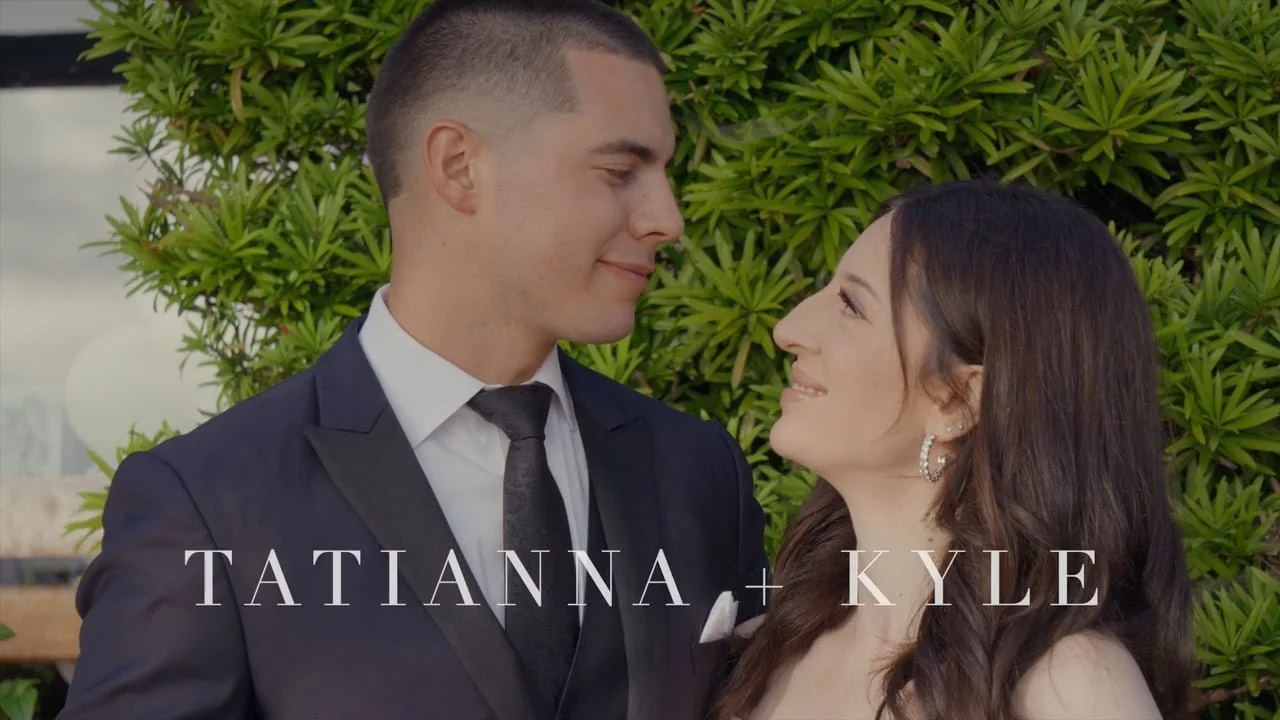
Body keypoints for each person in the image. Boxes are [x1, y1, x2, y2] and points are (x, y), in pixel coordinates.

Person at [59, 1, 769, 719]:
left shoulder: (698, 470)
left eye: (662, 174)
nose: (667, 219)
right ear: (459, 167)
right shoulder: (209, 501)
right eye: (620, 171)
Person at [712, 180, 1195, 720]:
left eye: (851, 305)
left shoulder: (1067, 684)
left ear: (958, 401)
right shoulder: (770, 641)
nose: (787, 329)